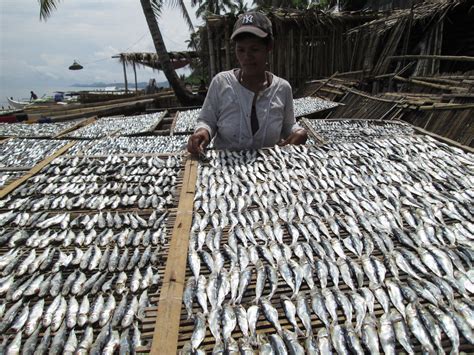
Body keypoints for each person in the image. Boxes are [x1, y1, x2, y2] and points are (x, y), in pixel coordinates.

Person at [187, 12, 307, 155]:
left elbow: (288, 125)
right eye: (241, 50)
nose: (247, 57)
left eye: (254, 49)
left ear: (269, 47)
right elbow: (207, 121)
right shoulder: (221, 83)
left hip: (270, 171)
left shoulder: (283, 88)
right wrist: (202, 132)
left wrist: (298, 132)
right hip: (225, 171)